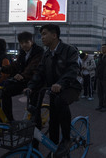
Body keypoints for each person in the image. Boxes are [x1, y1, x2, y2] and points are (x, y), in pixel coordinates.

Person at [26, 24, 82, 157]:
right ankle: (54, 150)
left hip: (70, 87)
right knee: (53, 123)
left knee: (60, 102)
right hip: (53, 89)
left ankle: (67, 139)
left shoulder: (69, 50)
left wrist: (61, 83)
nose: (42, 37)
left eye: (44, 34)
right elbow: (39, 72)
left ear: (55, 35)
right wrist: (31, 86)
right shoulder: (46, 55)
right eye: (41, 35)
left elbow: (72, 70)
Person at [0, 32, 44, 121]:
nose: (24, 45)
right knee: (5, 91)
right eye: (21, 43)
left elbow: (33, 66)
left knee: (34, 109)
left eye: (26, 42)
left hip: (36, 82)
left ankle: (36, 131)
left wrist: (22, 75)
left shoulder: (39, 52)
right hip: (25, 80)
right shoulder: (22, 53)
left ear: (31, 42)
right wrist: (2, 69)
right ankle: (10, 120)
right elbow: (16, 65)